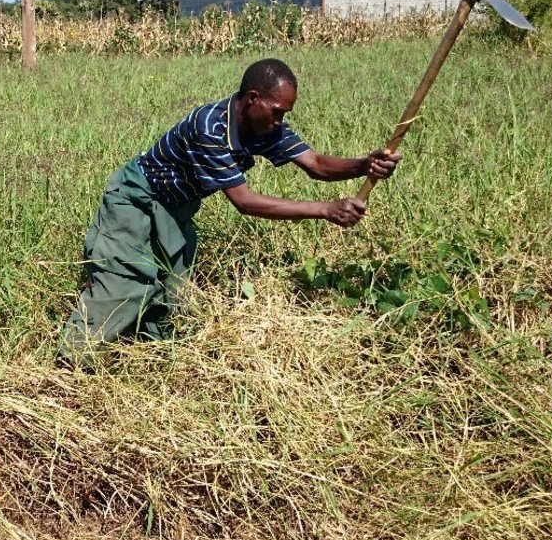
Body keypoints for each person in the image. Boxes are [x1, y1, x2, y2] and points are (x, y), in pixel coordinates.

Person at [62, 58, 401, 361]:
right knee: (124, 283)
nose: (281, 120)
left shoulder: (265, 126)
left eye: (285, 113)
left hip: (175, 209)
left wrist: (364, 165)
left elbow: (314, 164)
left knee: (176, 294)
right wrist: (326, 209)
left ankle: (153, 358)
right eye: (277, 110)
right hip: (135, 199)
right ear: (252, 99)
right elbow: (244, 201)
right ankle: (71, 360)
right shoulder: (209, 126)